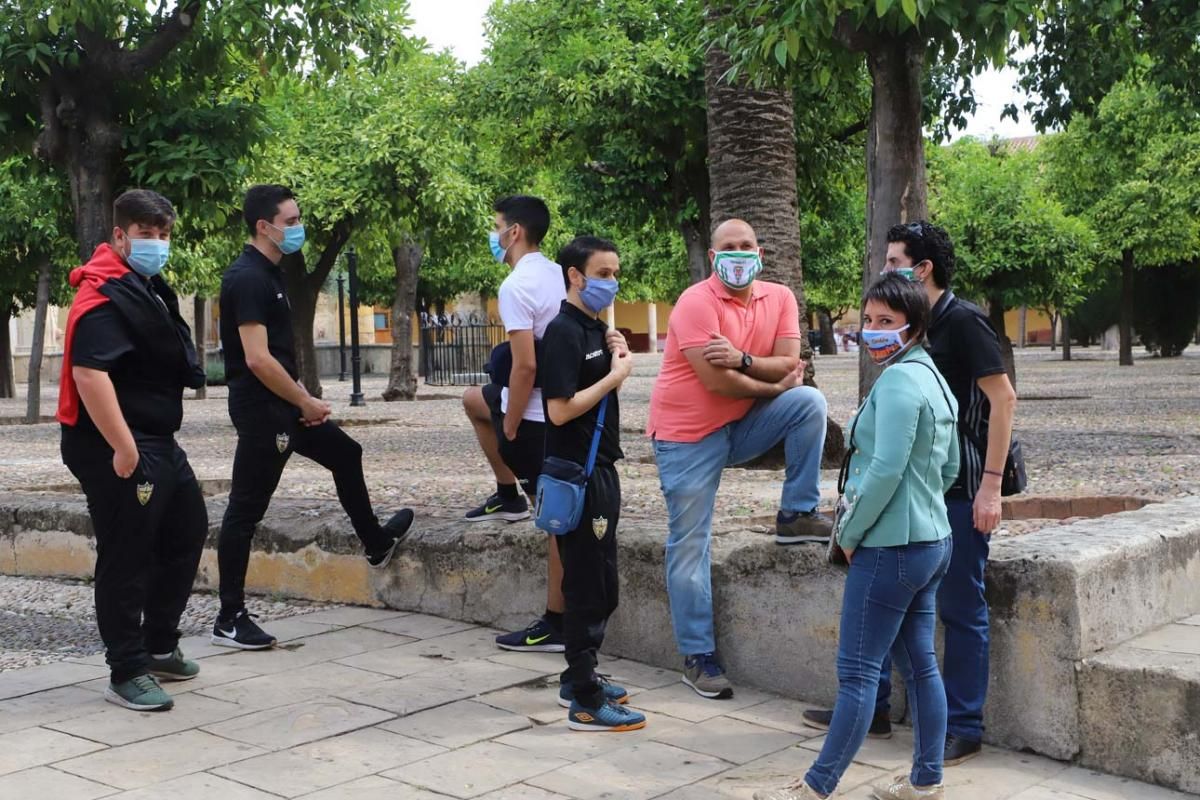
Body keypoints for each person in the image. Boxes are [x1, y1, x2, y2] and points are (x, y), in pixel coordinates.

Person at [801, 222, 1017, 765]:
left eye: (894, 259)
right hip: (917, 489)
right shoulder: (904, 334)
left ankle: (963, 724)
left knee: (962, 608)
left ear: (922, 269)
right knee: (892, 610)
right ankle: (871, 707)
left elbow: (1003, 399)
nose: (885, 267)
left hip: (960, 484)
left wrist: (991, 486)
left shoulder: (962, 322)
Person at [755, 273, 960, 800]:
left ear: (914, 325)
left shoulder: (896, 382)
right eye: (868, 321)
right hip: (933, 539)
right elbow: (950, 467)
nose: (872, 331)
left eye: (886, 322)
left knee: (857, 674)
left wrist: (848, 532)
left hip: (891, 547)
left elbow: (886, 469)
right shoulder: (934, 377)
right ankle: (926, 779)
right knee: (920, 666)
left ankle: (815, 788)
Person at [214, 184, 414, 649]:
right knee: (245, 509)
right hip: (264, 411)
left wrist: (303, 396)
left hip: (284, 403)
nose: (298, 229)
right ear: (264, 227)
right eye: (291, 221)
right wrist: (302, 402)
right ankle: (229, 617)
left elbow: (277, 359)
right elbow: (258, 360)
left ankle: (376, 543)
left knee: (347, 453)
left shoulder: (271, 273)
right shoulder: (247, 278)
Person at [648, 218, 831, 699]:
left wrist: (747, 361)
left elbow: (790, 362)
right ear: (713, 258)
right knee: (691, 542)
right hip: (687, 436)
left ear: (760, 252)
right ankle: (697, 654)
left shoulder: (781, 298)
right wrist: (771, 382)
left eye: (746, 245)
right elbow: (717, 382)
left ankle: (797, 513)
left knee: (808, 403)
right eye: (728, 247)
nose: (738, 254)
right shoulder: (695, 302)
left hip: (740, 425)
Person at [57, 189, 208, 711]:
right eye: (147, 235)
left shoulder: (142, 285)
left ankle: (159, 643)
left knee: (186, 530)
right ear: (119, 235)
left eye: (164, 235)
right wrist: (123, 449)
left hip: (156, 437)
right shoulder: (102, 295)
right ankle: (127, 668)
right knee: (128, 554)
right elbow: (89, 374)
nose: (157, 244)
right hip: (115, 442)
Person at [540, 235, 645, 732]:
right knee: (586, 586)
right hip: (578, 474)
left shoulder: (591, 328)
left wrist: (613, 354)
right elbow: (558, 410)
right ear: (575, 276)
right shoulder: (562, 331)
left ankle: (581, 675)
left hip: (600, 469)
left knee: (602, 582)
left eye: (614, 272)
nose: (612, 282)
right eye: (602, 273)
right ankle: (584, 697)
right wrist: (616, 375)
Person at [460, 195, 569, 653]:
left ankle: (556, 622)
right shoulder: (557, 272)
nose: (494, 234)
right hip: (558, 404)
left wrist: (510, 425)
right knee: (472, 399)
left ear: (515, 231)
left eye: (496, 226)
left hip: (535, 415)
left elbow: (524, 367)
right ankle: (507, 495)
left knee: (555, 522)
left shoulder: (516, 286)